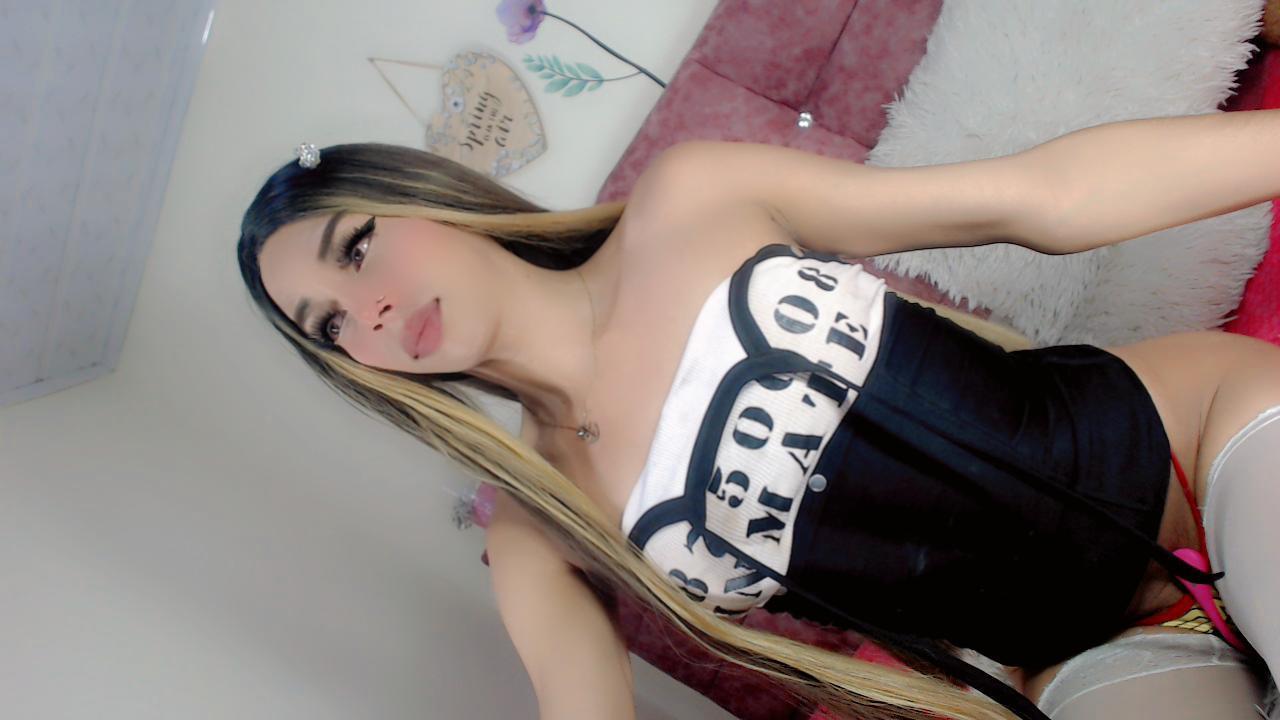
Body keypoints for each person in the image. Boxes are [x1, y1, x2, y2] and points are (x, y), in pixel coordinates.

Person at [237, 110, 1280, 720]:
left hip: (1188, 443)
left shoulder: (689, 199)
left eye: (358, 246)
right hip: (1075, 654)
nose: (369, 311)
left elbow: (1035, 196)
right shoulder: (538, 525)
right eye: (331, 326)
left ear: (422, 196)